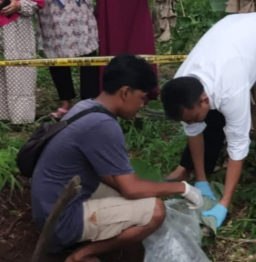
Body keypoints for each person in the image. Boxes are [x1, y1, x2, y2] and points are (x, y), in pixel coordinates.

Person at [31, 54, 203, 262]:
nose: (142, 105)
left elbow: (113, 178)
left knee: (133, 194)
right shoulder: (103, 125)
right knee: (156, 211)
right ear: (125, 92)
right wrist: (182, 188)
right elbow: (131, 188)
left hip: (49, 205)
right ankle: (82, 254)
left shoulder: (86, 106)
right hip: (61, 220)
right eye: (142, 98)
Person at [161, 13, 256, 227]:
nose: (189, 123)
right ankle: (191, 168)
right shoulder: (181, 90)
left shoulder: (231, 89)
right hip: (234, 39)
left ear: (203, 99)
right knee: (205, 119)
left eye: (190, 119)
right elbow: (193, 130)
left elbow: (238, 146)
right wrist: (201, 181)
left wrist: (224, 203)